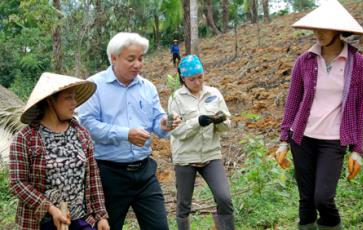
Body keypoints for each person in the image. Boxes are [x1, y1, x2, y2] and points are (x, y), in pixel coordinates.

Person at [274, 1, 363, 229]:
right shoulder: (304, 61)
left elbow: (359, 108)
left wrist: (357, 150)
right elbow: (293, 102)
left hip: (333, 141)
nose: (318, 33)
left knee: (323, 198)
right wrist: (284, 140)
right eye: (315, 28)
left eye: (324, 28)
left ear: (338, 29)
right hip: (302, 138)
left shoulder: (358, 63)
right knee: (306, 200)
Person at [77, 32, 181, 230]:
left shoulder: (147, 87)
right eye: (131, 59)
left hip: (144, 172)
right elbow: (87, 126)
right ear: (114, 58)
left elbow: (157, 122)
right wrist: (126, 134)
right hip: (108, 174)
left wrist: (166, 124)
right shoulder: (94, 86)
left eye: (141, 58)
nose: (138, 64)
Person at [9, 72, 110, 230]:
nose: (74, 103)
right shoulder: (26, 138)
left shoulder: (81, 134)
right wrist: (50, 208)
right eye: (68, 97)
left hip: (81, 220)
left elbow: (93, 177)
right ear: (50, 101)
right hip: (43, 223)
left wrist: (101, 215)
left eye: (75, 97)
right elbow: (18, 183)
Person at [168, 55, 235, 230]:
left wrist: (219, 121)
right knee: (184, 205)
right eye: (192, 79)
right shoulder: (175, 98)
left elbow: (227, 125)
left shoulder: (214, 93)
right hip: (185, 157)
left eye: (200, 77)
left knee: (224, 198)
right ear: (183, 78)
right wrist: (198, 122)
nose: (197, 82)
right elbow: (177, 131)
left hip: (211, 155)